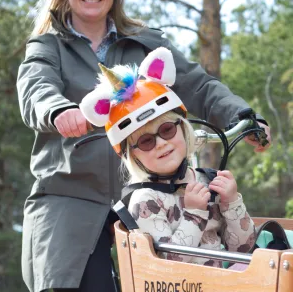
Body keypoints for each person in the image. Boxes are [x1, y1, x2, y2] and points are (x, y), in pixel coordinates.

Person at [16, 0, 270, 292]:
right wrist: (58, 110)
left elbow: (198, 85)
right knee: (69, 283)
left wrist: (242, 115)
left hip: (148, 194)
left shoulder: (143, 43)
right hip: (71, 194)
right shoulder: (48, 47)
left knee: (184, 276)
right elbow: (35, 89)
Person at [81, 47, 256, 268]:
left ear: (182, 128)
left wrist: (232, 203)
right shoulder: (145, 200)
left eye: (166, 130)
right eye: (146, 141)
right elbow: (167, 266)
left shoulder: (206, 181)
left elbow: (244, 250)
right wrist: (194, 213)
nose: (161, 143)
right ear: (132, 154)